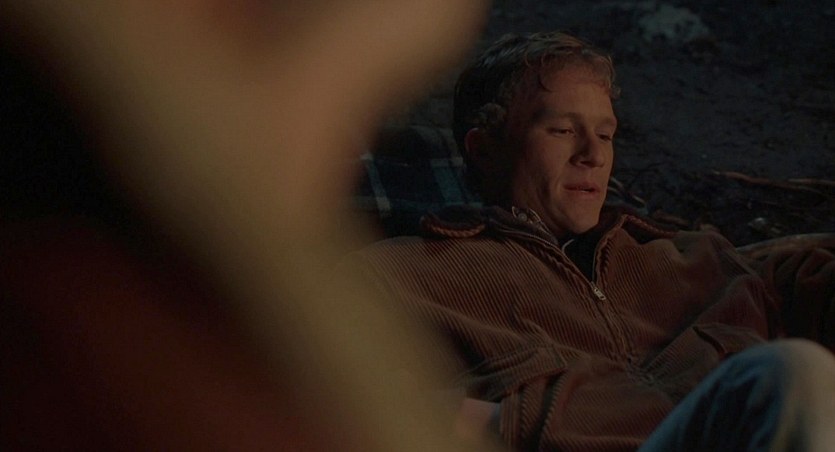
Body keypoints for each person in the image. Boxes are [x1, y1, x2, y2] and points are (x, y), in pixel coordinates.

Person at [340, 32, 835, 450]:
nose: (593, 156)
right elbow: (344, 402)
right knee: (791, 373)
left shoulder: (691, 256)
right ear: (485, 149)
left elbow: (800, 287)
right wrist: (494, 422)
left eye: (605, 134)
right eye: (562, 130)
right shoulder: (407, 275)